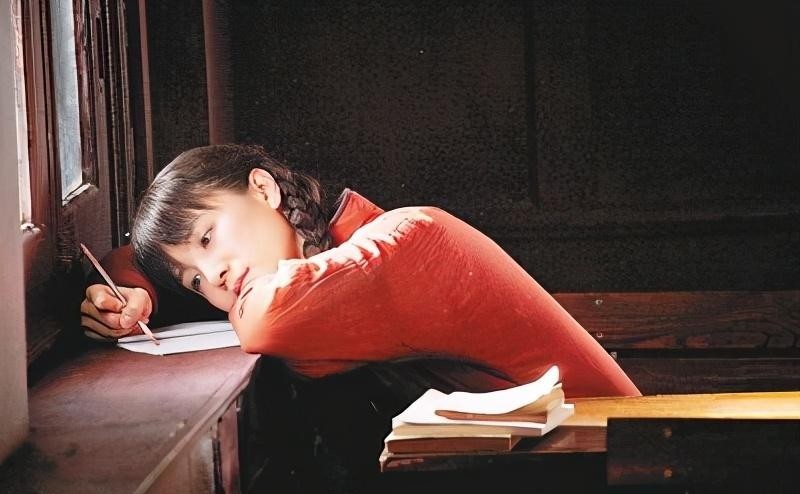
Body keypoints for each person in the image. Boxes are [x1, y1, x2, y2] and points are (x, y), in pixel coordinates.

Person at [81, 143, 640, 492]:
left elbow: (267, 317)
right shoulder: (317, 256)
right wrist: (136, 292)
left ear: (263, 188)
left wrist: (194, 286)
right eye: (194, 283)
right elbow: (131, 258)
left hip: (607, 467)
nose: (216, 276)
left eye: (208, 238)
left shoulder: (399, 242)